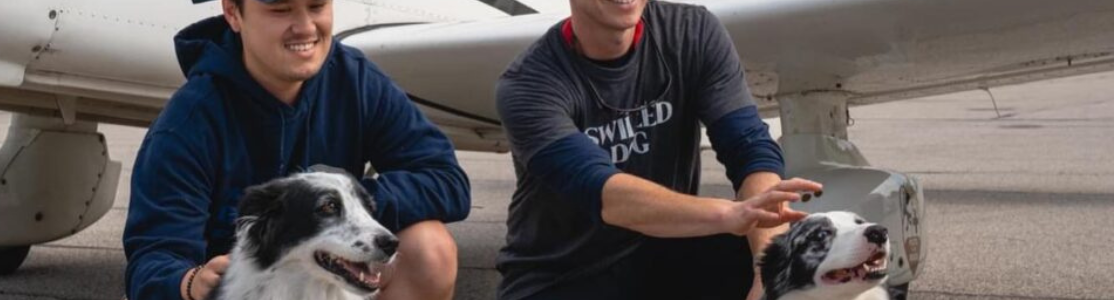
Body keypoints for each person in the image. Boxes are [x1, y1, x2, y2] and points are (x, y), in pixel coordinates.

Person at [122, 0, 470, 299]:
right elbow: (154, 256)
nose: (305, 27)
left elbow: (446, 179)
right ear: (233, 12)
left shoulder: (357, 81)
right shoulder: (188, 123)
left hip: (328, 272)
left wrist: (345, 202)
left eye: (317, 5)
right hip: (243, 285)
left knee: (429, 250)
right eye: (281, 8)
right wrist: (189, 283)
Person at [494, 0, 822, 299]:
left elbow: (749, 147)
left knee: (798, 266)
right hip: (563, 273)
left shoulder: (691, 32)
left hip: (670, 252)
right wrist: (730, 213)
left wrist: (768, 270)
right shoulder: (528, 84)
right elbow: (606, 194)